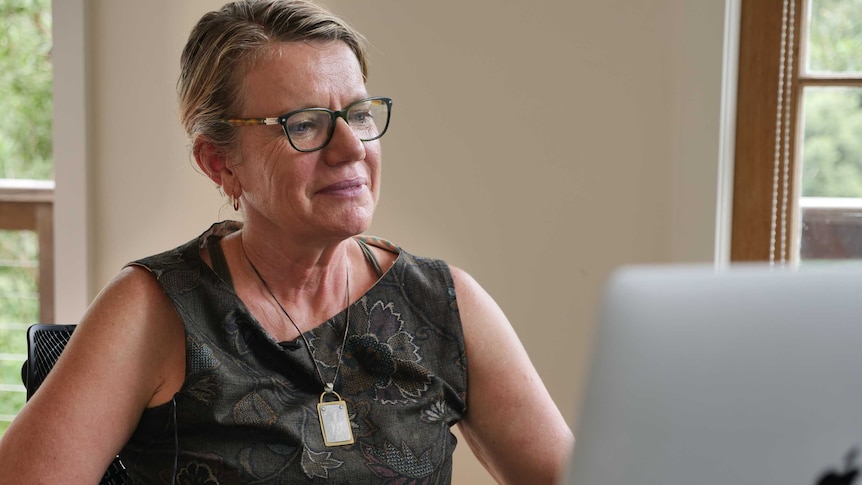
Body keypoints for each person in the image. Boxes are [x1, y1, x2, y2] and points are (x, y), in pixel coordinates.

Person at [0, 0, 574, 483]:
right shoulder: (153, 310)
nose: (351, 147)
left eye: (358, 113)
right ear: (220, 163)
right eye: (304, 124)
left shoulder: (443, 304)